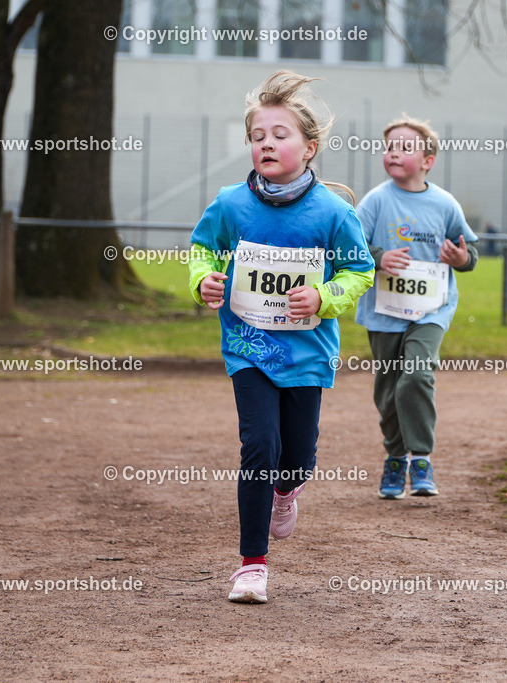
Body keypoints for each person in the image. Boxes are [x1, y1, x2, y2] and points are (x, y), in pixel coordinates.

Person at [188, 71, 375, 604]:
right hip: (249, 348)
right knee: (259, 446)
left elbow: (359, 271)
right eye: (257, 136)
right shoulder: (229, 204)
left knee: (297, 456)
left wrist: (325, 298)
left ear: (309, 148)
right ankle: (252, 565)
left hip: (307, 353)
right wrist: (202, 280)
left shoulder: (334, 213)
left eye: (280, 134)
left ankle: (286, 491)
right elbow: (201, 249)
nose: (266, 143)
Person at [354, 116, 479, 499]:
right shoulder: (376, 201)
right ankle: (395, 459)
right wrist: (379, 256)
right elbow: (349, 249)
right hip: (384, 310)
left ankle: (421, 458)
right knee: (389, 390)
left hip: (431, 311)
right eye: (389, 147)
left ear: (428, 160)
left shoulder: (444, 204)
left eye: (404, 147)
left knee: (417, 375)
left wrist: (459, 258)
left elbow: (470, 253)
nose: (393, 153)